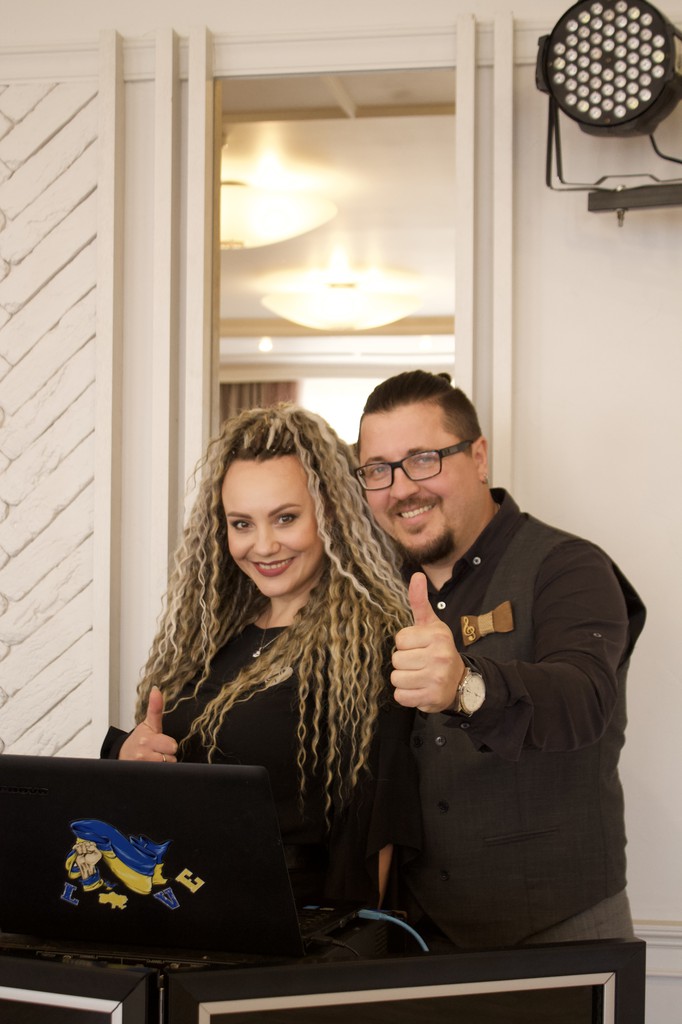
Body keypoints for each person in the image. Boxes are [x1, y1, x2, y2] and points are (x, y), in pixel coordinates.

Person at [356, 370, 645, 949]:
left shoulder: (569, 566)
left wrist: (465, 685)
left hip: (562, 929)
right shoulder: (372, 586)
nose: (401, 488)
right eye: (378, 470)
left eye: (423, 460)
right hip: (416, 934)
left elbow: (584, 699)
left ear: (479, 456)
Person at [101, 403, 420, 907]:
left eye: (285, 518)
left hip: (284, 926)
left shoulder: (372, 649)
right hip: (175, 908)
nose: (264, 545)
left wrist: (349, 945)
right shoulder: (209, 640)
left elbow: (376, 831)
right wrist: (130, 758)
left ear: (332, 515)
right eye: (242, 524)